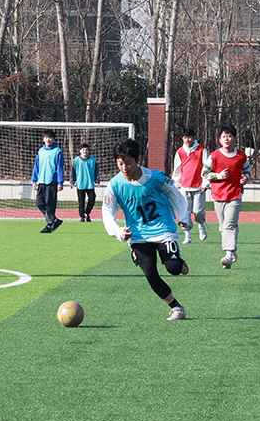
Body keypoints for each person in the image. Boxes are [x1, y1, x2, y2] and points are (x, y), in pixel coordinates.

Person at [102, 138, 191, 321]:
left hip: (163, 229)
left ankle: (179, 263)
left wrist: (183, 217)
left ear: (138, 160)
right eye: (120, 163)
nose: (124, 168)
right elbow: (107, 211)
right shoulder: (114, 185)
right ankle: (176, 307)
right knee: (150, 273)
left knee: (173, 268)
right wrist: (119, 232)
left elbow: (175, 194)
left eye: (128, 163)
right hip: (137, 236)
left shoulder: (155, 178)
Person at [202, 124, 251, 269]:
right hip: (218, 195)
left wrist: (246, 178)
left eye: (229, 136)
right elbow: (204, 173)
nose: (227, 139)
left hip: (235, 195)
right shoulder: (214, 156)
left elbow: (247, 171)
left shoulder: (241, 156)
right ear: (219, 139)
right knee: (223, 226)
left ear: (235, 138)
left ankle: (228, 255)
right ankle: (232, 250)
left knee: (229, 224)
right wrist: (218, 176)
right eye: (224, 136)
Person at [171, 127, 209, 244]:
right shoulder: (180, 152)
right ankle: (187, 235)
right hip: (184, 186)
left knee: (198, 211)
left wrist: (206, 183)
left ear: (194, 138)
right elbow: (177, 169)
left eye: (190, 137)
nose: (187, 140)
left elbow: (207, 167)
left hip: (198, 186)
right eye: (185, 137)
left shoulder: (202, 150)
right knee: (185, 212)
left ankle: (201, 225)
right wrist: (175, 184)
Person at [31, 129, 64, 233]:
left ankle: (49, 225)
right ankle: (54, 220)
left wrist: (60, 182)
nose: (48, 139)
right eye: (46, 137)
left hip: (52, 181)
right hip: (41, 181)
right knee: (39, 203)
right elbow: (36, 166)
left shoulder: (57, 151)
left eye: (50, 137)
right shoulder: (40, 151)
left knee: (50, 204)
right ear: (43, 139)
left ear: (53, 139)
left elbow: (60, 168)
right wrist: (34, 180)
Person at [70, 143, 100, 221]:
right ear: (80, 151)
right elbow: (73, 171)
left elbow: (96, 170)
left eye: (86, 150)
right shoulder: (76, 160)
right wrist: (72, 181)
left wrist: (97, 180)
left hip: (90, 184)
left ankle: (87, 213)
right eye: (83, 150)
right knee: (81, 202)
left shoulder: (92, 160)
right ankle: (82, 216)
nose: (85, 151)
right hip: (80, 184)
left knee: (92, 199)